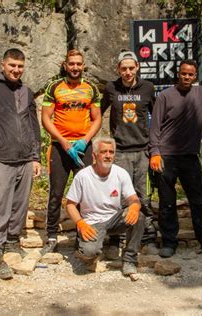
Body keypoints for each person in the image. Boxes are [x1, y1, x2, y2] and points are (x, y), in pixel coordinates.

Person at [149, 59, 202, 258]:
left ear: (195, 76)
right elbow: (154, 128)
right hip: (166, 156)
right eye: (183, 73)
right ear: (178, 74)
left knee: (200, 200)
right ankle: (169, 242)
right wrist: (155, 153)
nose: (187, 77)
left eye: (191, 74)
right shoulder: (164, 96)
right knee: (167, 202)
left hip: (190, 156)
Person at [0, 48, 42, 279]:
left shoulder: (26, 91)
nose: (16, 70)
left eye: (20, 66)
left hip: (24, 159)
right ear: (2, 64)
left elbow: (34, 126)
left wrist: (35, 156)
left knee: (20, 206)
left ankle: (12, 242)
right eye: (12, 65)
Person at [41, 49, 102, 254]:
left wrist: (85, 141)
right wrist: (62, 141)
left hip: (83, 147)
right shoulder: (54, 87)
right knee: (56, 193)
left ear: (83, 66)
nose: (75, 67)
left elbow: (97, 118)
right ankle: (51, 236)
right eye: (72, 64)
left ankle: (81, 234)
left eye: (79, 64)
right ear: (65, 65)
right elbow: (46, 118)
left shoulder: (91, 88)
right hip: (60, 147)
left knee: (85, 193)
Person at [101, 50, 158, 257]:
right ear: (118, 69)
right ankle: (116, 239)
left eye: (131, 68)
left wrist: (155, 149)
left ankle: (147, 238)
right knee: (118, 197)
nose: (127, 72)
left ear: (137, 68)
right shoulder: (110, 88)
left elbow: (157, 118)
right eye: (123, 69)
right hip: (120, 152)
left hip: (142, 151)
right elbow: (97, 113)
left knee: (143, 197)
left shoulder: (148, 88)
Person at [65, 137, 145, 277]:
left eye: (111, 152)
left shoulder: (121, 173)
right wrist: (80, 223)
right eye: (104, 152)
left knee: (139, 216)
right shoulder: (83, 176)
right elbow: (70, 205)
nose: (108, 155)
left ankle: (129, 260)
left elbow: (134, 199)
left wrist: (135, 206)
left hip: (114, 220)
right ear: (95, 155)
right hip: (92, 223)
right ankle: (85, 245)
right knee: (89, 253)